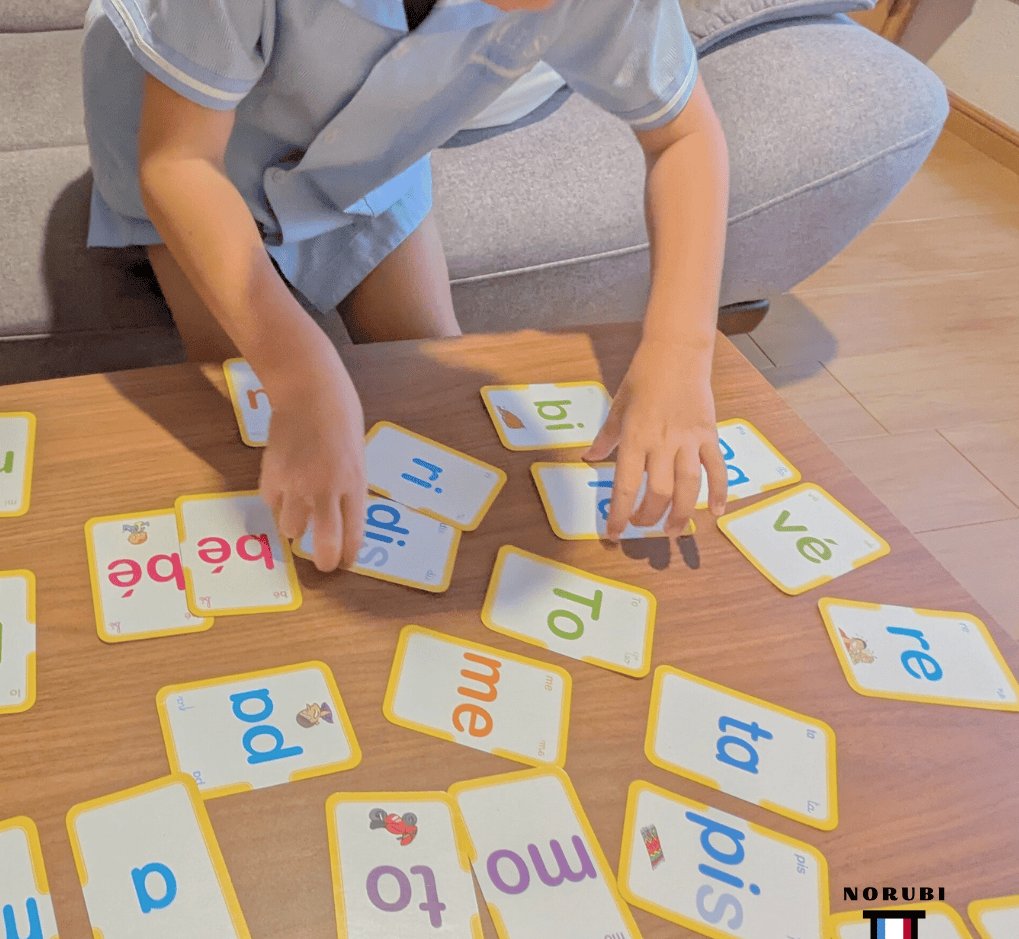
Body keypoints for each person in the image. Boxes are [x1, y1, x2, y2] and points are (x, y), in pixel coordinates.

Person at [82, 0, 730, 570]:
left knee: (439, 411)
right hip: (186, 128)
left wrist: (680, 349)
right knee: (248, 405)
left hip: (371, 153)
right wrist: (301, 377)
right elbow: (179, 162)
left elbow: (684, 135)